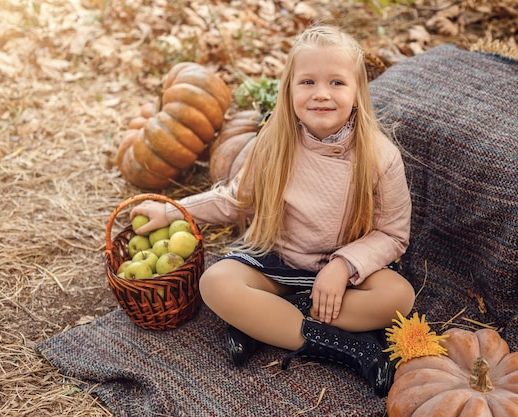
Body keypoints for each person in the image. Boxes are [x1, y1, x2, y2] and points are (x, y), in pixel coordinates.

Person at [130, 24, 415, 397]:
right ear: (289, 89)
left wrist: (343, 265)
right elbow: (237, 198)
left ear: (359, 93)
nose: (321, 95)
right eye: (308, 82)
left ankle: (264, 320)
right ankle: (345, 346)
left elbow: (393, 234)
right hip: (280, 261)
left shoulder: (380, 156)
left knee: (399, 298)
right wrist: (173, 212)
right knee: (215, 283)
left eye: (337, 83)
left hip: (347, 275)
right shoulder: (275, 140)